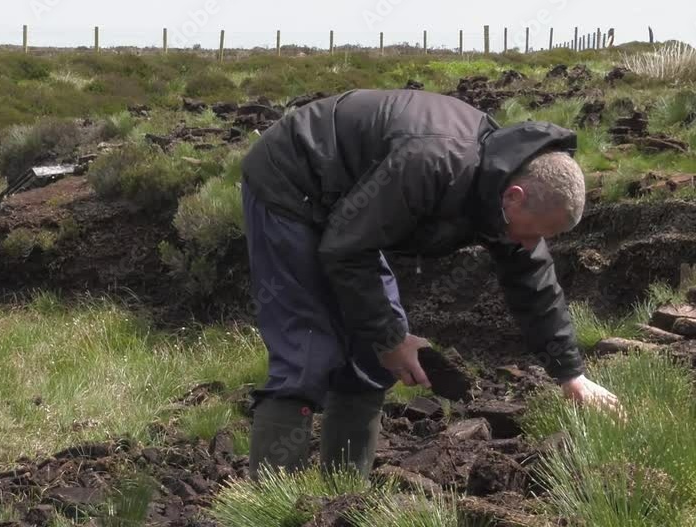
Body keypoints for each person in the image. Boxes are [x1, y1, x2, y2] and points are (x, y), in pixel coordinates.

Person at [239, 88, 618, 480]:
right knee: (308, 353)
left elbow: (534, 284)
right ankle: (273, 507)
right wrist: (393, 339)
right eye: (531, 233)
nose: (528, 244)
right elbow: (346, 250)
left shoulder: (504, 192)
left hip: (353, 216)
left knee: (372, 358)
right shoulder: (429, 163)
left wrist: (570, 375)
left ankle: (339, 501)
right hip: (291, 183)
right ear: (514, 197)